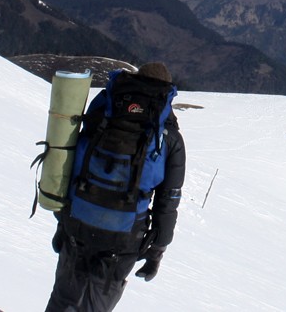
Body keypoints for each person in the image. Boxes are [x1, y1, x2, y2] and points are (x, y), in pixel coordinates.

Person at [46, 62, 186, 312]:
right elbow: (168, 201)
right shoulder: (169, 137)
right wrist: (158, 249)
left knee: (63, 297)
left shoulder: (105, 111)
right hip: (123, 236)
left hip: (78, 220)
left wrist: (62, 220)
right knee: (96, 305)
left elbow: (76, 163)